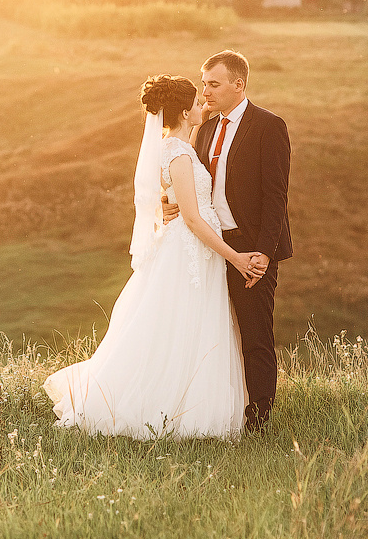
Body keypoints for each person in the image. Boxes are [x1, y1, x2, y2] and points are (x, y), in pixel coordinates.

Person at [43, 74, 258, 440]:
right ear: (185, 110)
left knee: (180, 325)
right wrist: (235, 257)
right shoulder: (178, 153)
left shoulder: (171, 147)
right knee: (181, 326)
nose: (203, 104)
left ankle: (184, 403)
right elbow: (191, 217)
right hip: (191, 251)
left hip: (191, 252)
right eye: (197, 101)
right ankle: (171, 409)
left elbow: (168, 202)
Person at [165, 50, 292, 433]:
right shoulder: (203, 129)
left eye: (214, 84)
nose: (205, 92)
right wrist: (168, 205)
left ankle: (259, 419)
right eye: (204, 84)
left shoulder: (269, 126)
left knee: (255, 334)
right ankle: (218, 410)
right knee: (215, 331)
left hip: (251, 250)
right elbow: (192, 186)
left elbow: (275, 198)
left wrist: (263, 256)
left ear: (239, 84)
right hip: (209, 249)